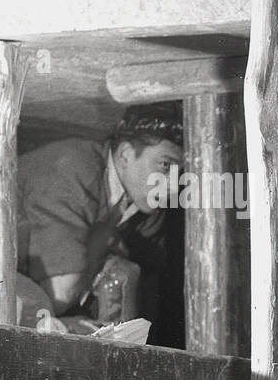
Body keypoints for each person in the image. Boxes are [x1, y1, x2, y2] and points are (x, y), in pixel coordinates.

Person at [16, 103, 183, 338]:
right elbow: (60, 295)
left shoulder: (146, 204)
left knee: (123, 275)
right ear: (125, 154)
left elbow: (146, 296)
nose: (174, 185)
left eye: (180, 171)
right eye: (165, 165)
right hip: (14, 285)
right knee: (34, 306)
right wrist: (102, 239)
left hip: (46, 295)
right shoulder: (72, 168)